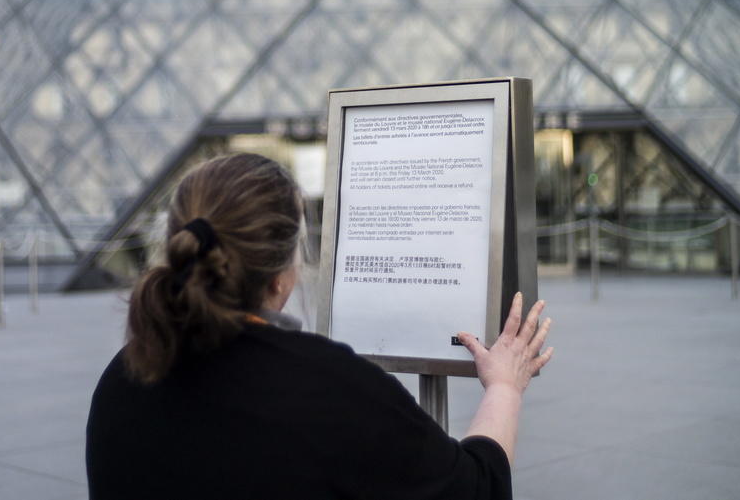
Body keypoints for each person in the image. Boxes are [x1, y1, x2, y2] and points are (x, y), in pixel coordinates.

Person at [86, 152, 552, 500]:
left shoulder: (124, 377)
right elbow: (475, 491)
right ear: (281, 274)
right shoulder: (332, 388)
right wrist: (505, 388)